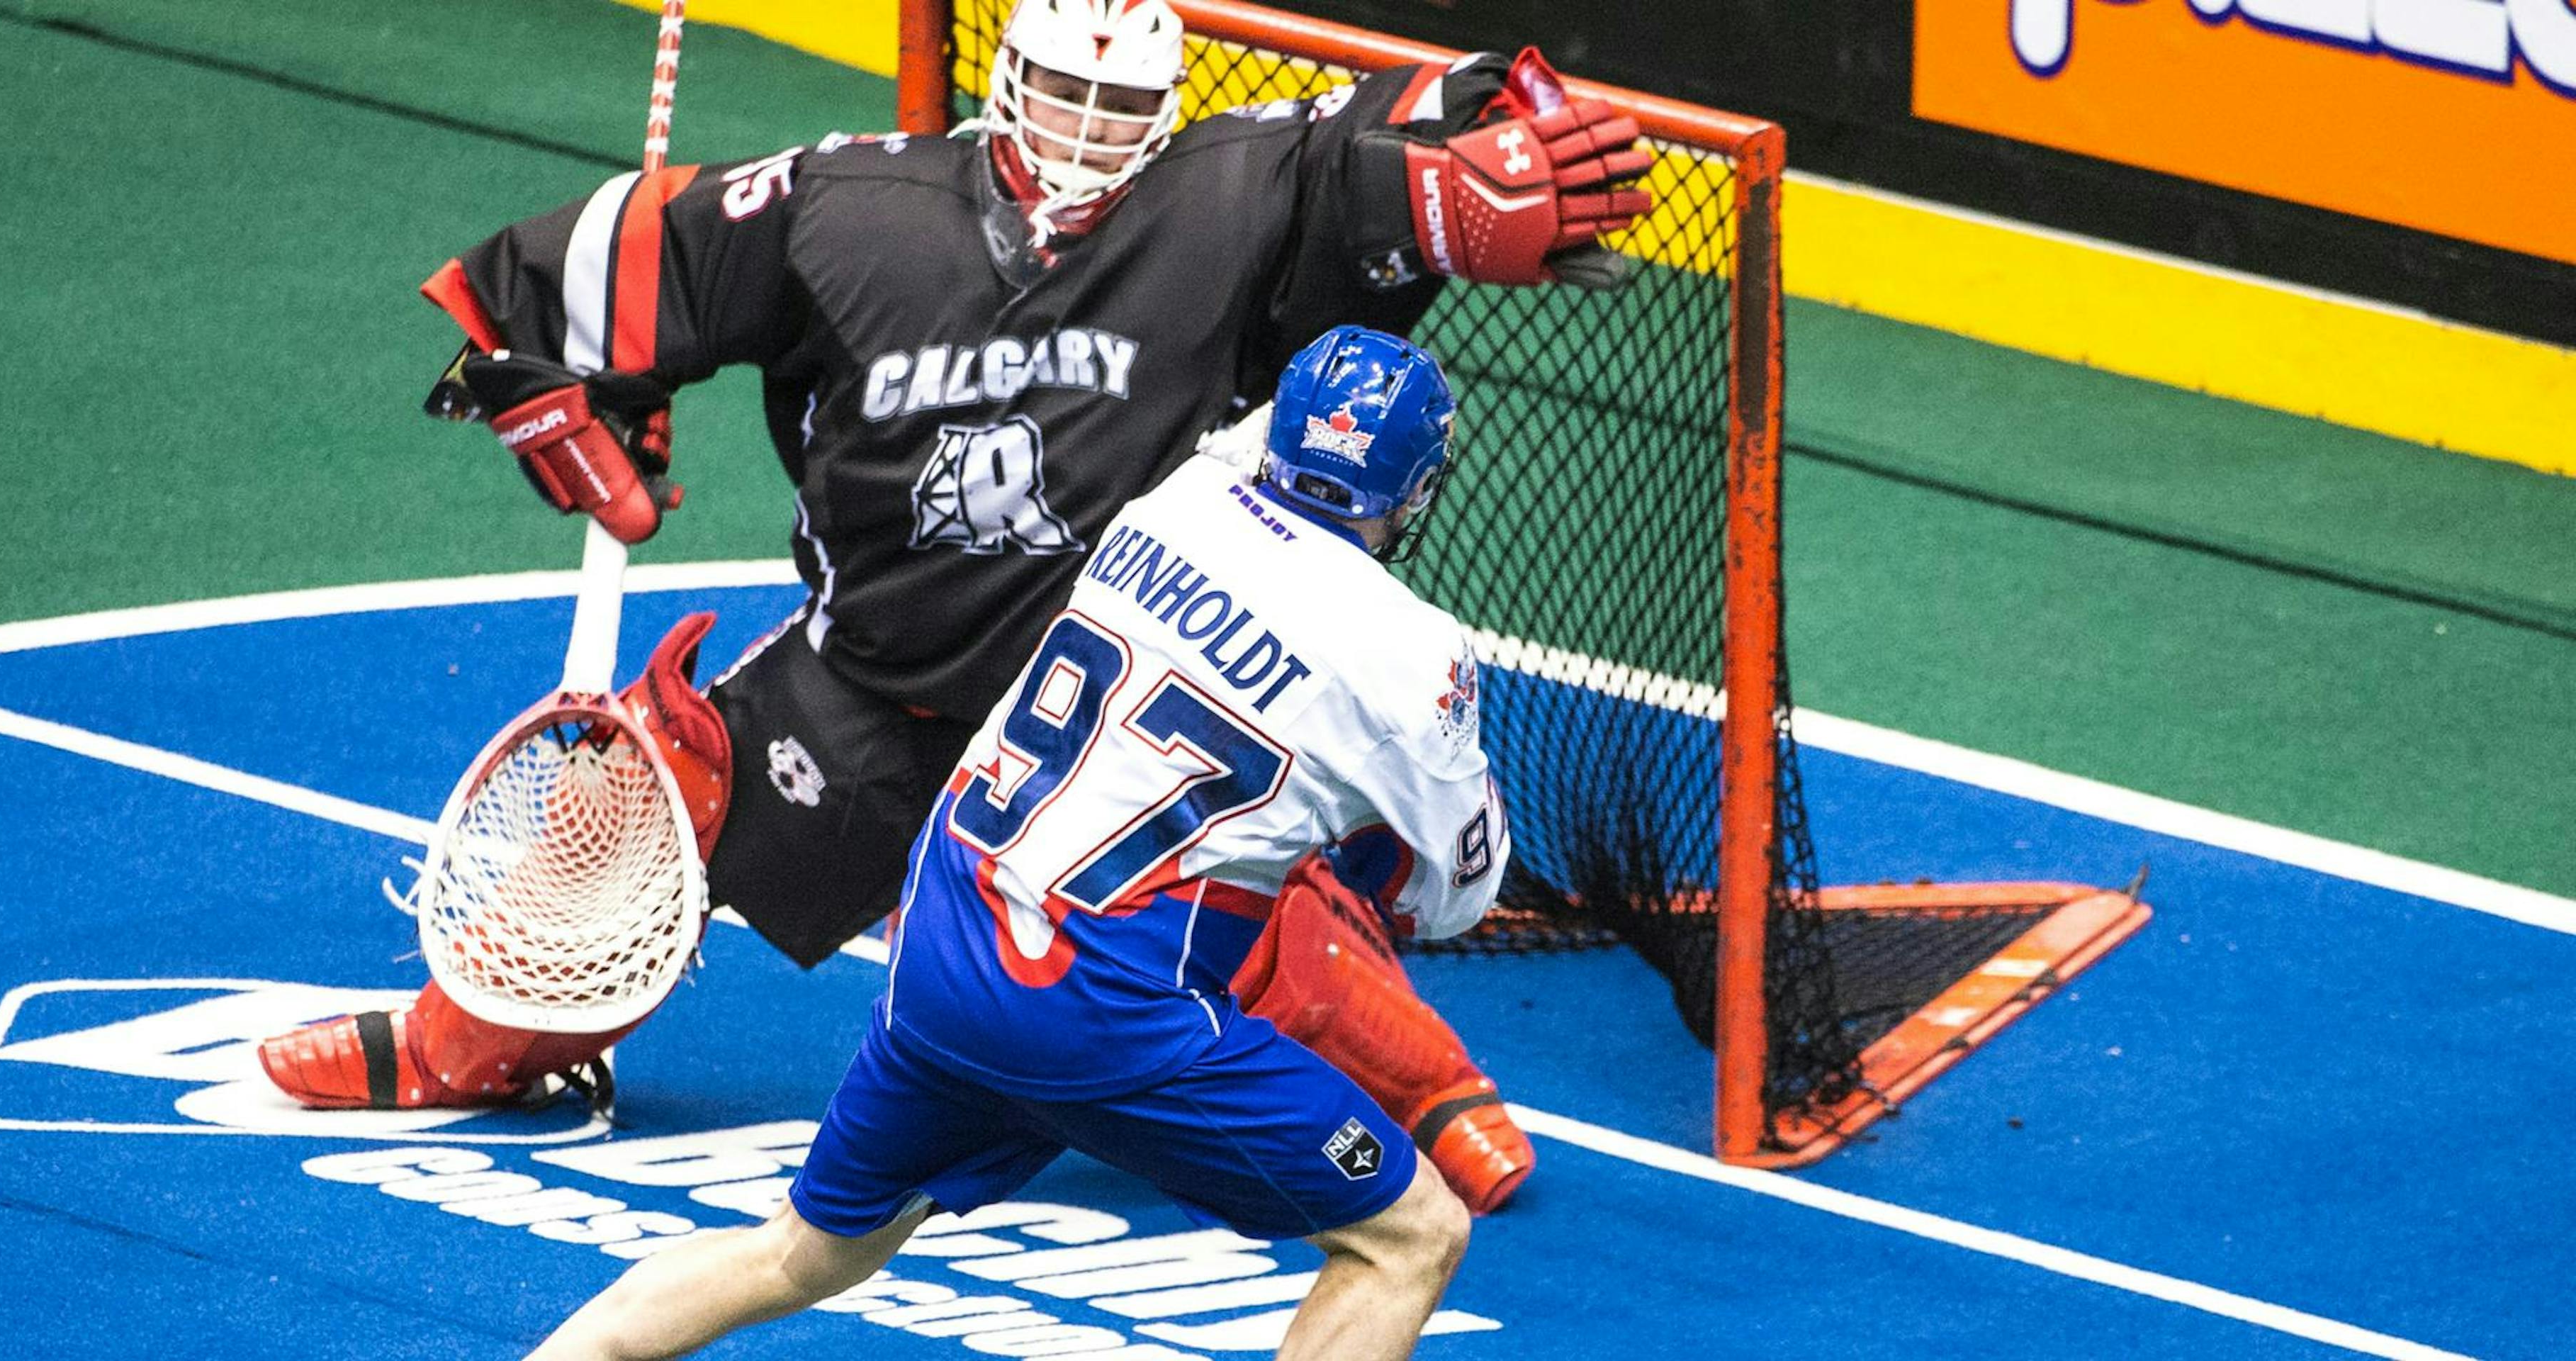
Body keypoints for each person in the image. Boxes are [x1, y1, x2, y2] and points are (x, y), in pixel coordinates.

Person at [257, 0, 1647, 1212]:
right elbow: (604, 265)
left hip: (1110, 704)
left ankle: (1427, 1084)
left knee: (1238, 853)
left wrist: (1473, 157)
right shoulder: (849, 205)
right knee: (656, 768)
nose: (1092, 130)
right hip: (870, 680)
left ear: (1168, 112)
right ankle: (464, 1042)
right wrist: (571, 394)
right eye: (1066, 92)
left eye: (1124, 104)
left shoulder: (1223, 192)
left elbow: (1386, 133)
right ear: (1007, 87)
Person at [526, 325, 1507, 1361]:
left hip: (947, 950)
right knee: (1411, 1237)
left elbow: (1255, 456)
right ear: (1415, 490)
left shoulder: (1172, 501)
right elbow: (1454, 898)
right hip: (1106, 1014)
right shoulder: (1412, 654)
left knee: (801, 1256)